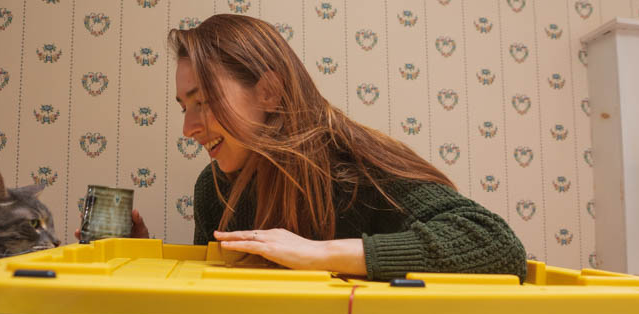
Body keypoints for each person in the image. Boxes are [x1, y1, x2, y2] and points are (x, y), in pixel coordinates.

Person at [85, 14, 528, 281]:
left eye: (203, 102)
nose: (188, 127)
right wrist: (140, 257)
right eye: (185, 106)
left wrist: (317, 254)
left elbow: (497, 246)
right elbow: (212, 302)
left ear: (269, 92)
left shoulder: (353, 171)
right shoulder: (212, 188)